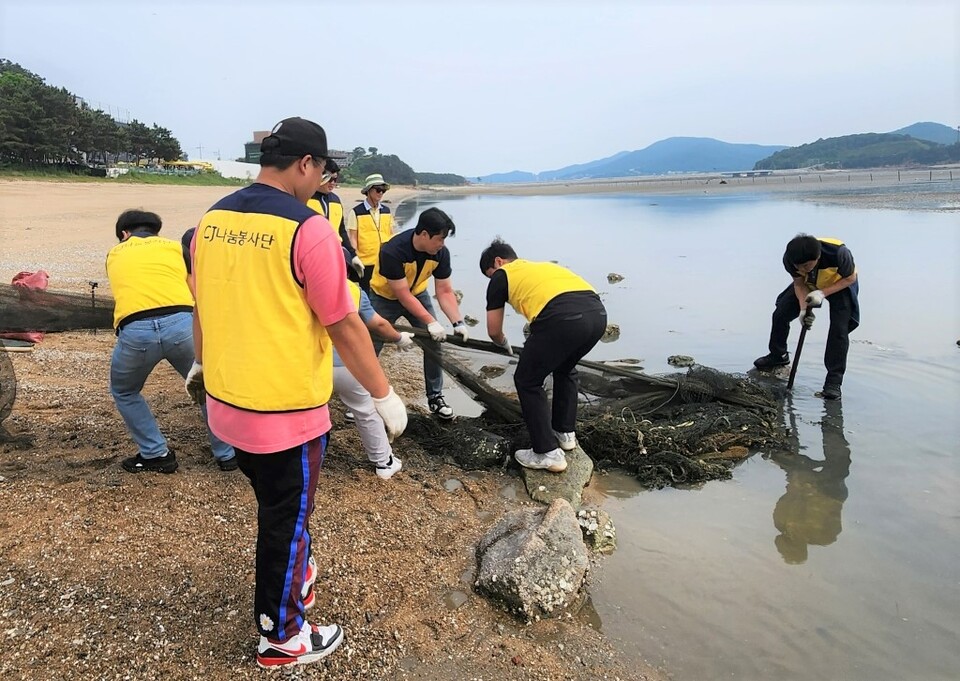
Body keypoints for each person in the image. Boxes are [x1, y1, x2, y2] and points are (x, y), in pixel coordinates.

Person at [187, 117, 408, 669]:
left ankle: (297, 573)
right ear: (307, 164)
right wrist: (382, 395)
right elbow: (345, 324)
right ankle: (281, 635)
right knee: (284, 521)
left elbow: (203, 305)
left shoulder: (211, 220)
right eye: (322, 171)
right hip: (284, 412)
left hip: (227, 404)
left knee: (281, 507)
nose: (320, 182)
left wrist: (200, 363)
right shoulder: (307, 228)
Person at [105, 209, 236, 474]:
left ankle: (155, 453)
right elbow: (195, 291)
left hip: (136, 331)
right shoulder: (176, 248)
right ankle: (227, 454)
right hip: (182, 325)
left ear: (124, 234)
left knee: (125, 391)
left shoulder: (114, 253)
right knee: (207, 387)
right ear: (155, 231)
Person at [479, 238, 606, 473]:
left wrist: (503, 343)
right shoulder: (543, 267)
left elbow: (494, 330)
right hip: (597, 315)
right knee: (565, 368)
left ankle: (547, 453)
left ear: (498, 262)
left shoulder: (501, 275)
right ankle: (564, 433)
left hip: (563, 319)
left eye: (490, 274)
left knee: (527, 380)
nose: (492, 279)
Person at [368, 207, 467, 420]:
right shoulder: (393, 251)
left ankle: (435, 397)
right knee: (371, 343)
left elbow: (444, 291)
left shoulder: (441, 253)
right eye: (440, 239)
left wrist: (457, 321)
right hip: (385, 296)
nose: (442, 244)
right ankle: (363, 396)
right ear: (424, 234)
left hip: (417, 293)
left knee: (434, 342)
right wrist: (430, 320)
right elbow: (402, 295)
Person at [753, 234, 859, 400]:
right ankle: (778, 356)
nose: (802, 270)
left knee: (839, 330)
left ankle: (833, 382)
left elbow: (850, 278)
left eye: (806, 266)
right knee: (781, 313)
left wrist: (823, 293)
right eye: (799, 267)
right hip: (810, 283)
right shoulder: (790, 258)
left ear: (817, 257)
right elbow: (799, 284)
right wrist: (803, 310)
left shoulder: (838, 253)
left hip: (839, 284)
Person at [335, 272, 415, 479]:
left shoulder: (294, 283)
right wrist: (399, 338)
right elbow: (378, 324)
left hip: (309, 362)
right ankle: (384, 462)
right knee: (366, 410)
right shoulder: (351, 289)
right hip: (347, 363)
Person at [771, 399, 851, 564]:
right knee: (785, 457)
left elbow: (787, 496)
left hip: (828, 490)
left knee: (838, 458)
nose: (790, 533)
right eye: (790, 539)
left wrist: (801, 486)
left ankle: (832, 423)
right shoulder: (826, 536)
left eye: (788, 537)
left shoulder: (780, 522)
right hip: (826, 491)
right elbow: (790, 495)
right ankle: (832, 421)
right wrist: (802, 486)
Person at [307, 161, 363, 279]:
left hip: (336, 256)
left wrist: (353, 256)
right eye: (329, 179)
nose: (332, 183)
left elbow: (341, 230)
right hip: (312, 258)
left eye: (335, 179)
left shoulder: (335, 200)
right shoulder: (305, 197)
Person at [345, 173, 393, 292]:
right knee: (365, 295)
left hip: (383, 261)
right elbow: (353, 238)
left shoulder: (386, 211)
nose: (381, 193)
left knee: (382, 294)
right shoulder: (356, 212)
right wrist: (354, 258)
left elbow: (391, 234)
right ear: (369, 190)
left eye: (383, 190)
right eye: (378, 190)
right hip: (365, 263)